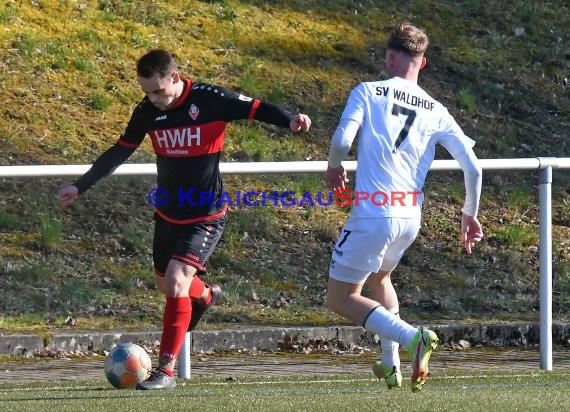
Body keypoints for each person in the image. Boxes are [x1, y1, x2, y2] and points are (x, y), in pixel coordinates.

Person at [57, 49, 311, 390]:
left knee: (176, 280)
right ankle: (205, 296)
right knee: (167, 287)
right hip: (167, 213)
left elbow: (256, 108)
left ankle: (165, 371)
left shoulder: (210, 99)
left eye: (158, 91)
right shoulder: (147, 112)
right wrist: (80, 185)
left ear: (175, 78)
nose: (153, 99)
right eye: (147, 92)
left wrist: (290, 119)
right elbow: (119, 151)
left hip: (206, 214)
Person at [325, 22, 483, 392]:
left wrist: (334, 168)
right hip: (409, 216)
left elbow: (341, 138)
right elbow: (473, 167)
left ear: (389, 57)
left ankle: (414, 338)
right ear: (422, 63)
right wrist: (469, 212)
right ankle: (390, 365)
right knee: (380, 278)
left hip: (374, 212)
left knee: (341, 297)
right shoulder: (436, 109)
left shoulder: (368, 91)